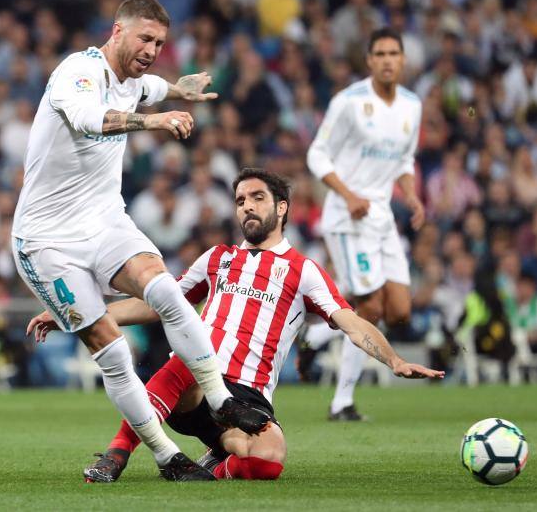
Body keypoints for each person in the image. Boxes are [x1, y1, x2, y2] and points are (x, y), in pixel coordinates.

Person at [27, 168, 444, 482]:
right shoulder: (217, 258)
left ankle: (218, 462)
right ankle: (116, 453)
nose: (247, 205)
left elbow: (352, 322)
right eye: (241, 199)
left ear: (280, 208)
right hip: (195, 383)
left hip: (248, 398)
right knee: (186, 359)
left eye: (258, 197)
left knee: (267, 463)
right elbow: (153, 303)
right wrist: (73, 313)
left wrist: (393, 360)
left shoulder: (303, 270)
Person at [11, 0, 270, 482]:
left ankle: (221, 399)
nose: (152, 49)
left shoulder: (135, 79)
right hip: (47, 241)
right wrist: (154, 120)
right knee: (113, 352)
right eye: (145, 38)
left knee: (167, 291)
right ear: (117, 32)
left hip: (104, 220)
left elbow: (149, 86)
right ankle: (167, 454)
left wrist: (178, 89)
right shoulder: (77, 73)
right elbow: (90, 119)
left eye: (160, 42)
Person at [302, 28, 424, 420]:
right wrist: (348, 194)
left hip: (383, 216)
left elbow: (404, 161)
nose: (388, 60)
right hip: (347, 217)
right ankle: (343, 402)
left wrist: (412, 195)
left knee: (400, 310)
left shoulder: (411, 105)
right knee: (370, 306)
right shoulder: (349, 102)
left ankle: (318, 333)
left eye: (394, 53)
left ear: (403, 60)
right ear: (369, 60)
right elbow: (317, 155)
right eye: (381, 53)